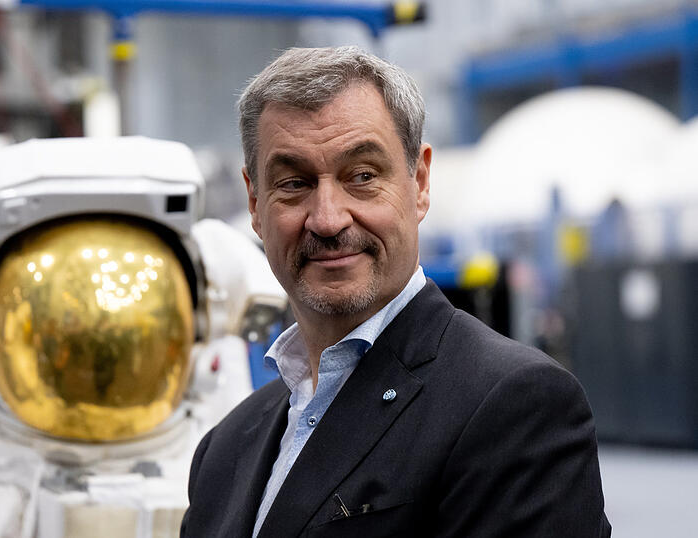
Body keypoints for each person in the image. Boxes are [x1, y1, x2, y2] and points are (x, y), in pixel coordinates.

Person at [181, 46, 611, 537]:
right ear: (255, 203)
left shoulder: (517, 406)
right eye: (294, 183)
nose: (327, 219)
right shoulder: (224, 449)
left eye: (362, 177)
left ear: (420, 182)